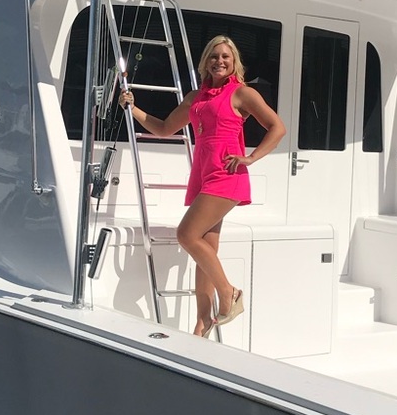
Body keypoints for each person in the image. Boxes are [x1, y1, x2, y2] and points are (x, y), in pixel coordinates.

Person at [119, 35, 286, 337]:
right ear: (205, 62)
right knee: (205, 249)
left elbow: (278, 127)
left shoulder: (242, 94)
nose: (219, 61)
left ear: (234, 62)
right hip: (203, 175)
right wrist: (133, 109)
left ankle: (229, 293)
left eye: (225, 56)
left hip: (226, 174)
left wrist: (251, 157)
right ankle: (203, 321)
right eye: (213, 56)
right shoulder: (195, 98)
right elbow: (164, 128)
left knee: (186, 234)